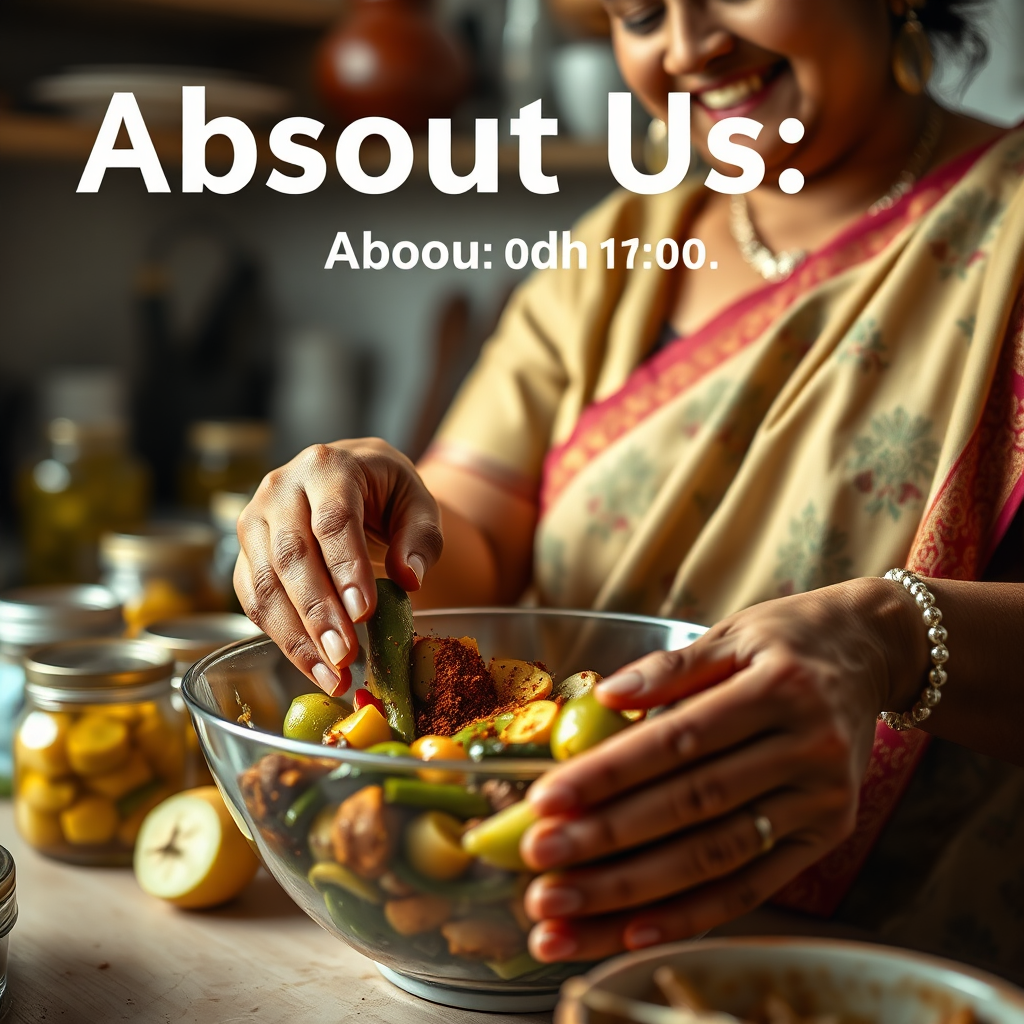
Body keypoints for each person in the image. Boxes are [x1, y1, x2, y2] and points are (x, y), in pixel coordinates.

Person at [236, 0, 1024, 982]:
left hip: (913, 968)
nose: (689, 47)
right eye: (639, 11)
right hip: (556, 934)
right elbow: (467, 526)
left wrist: (892, 637)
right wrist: (358, 519)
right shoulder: (613, 257)